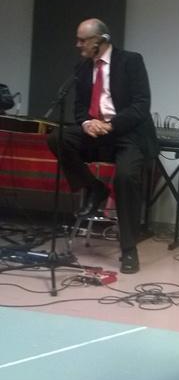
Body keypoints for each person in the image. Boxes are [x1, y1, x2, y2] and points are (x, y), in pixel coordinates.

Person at [47, 18, 158, 274]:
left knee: (125, 178)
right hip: (96, 132)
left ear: (101, 40)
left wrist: (111, 125)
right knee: (57, 137)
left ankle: (129, 250)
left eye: (83, 40)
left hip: (128, 133)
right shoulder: (82, 68)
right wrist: (87, 124)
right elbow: (78, 108)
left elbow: (141, 105)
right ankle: (93, 187)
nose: (78, 45)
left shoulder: (131, 61)